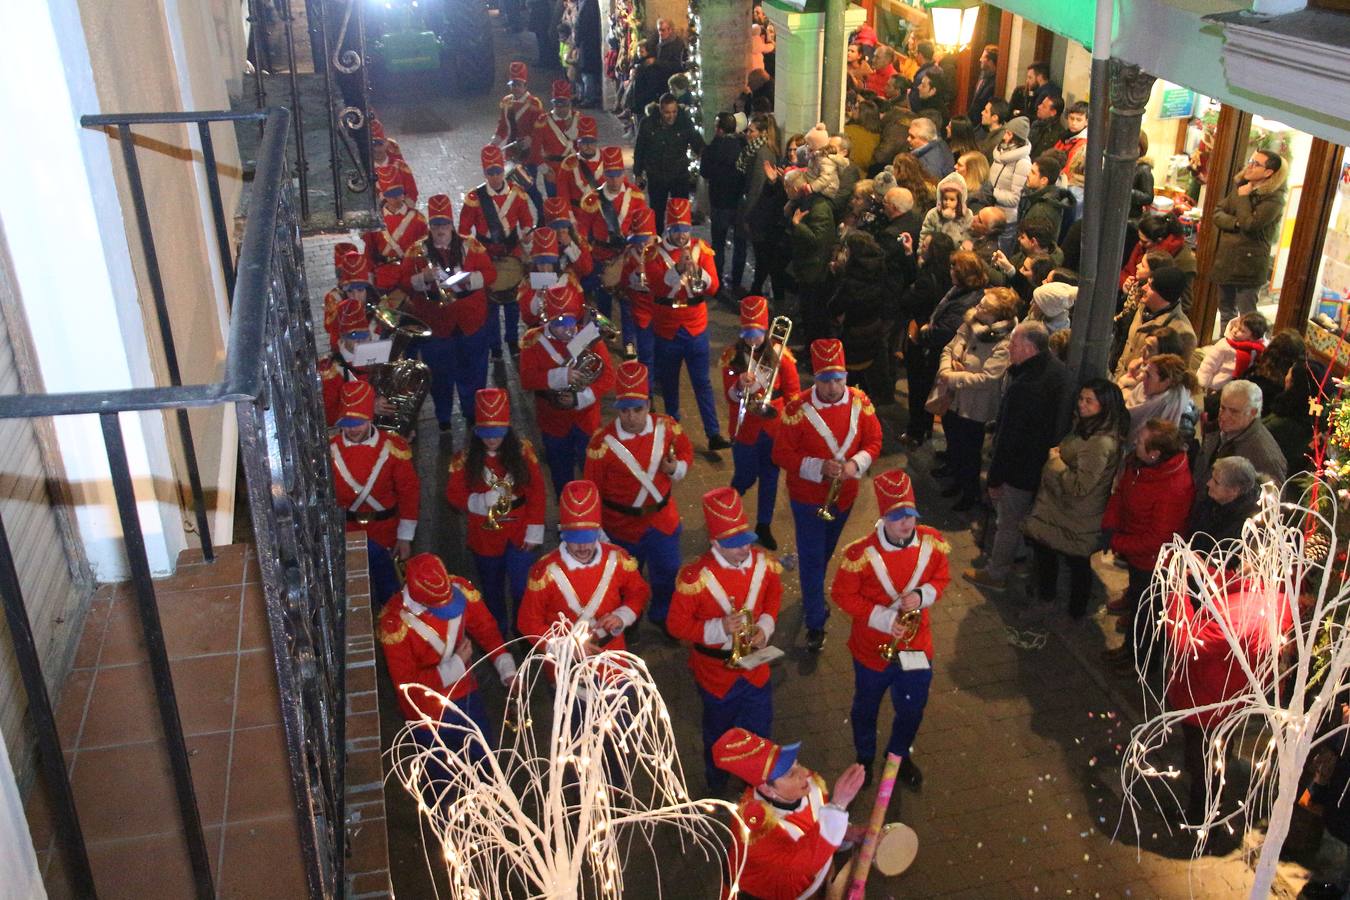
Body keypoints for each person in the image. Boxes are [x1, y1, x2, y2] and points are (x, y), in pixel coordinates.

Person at [832, 469, 950, 788]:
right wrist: (885, 620)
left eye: (910, 514)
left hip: (916, 647)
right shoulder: (859, 555)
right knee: (866, 709)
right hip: (871, 649)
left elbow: (941, 577)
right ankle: (864, 758)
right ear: (883, 516)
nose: (906, 523)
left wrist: (923, 595)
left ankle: (898, 756)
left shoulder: (933, 542)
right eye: (898, 516)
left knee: (912, 709)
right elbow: (842, 594)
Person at [668, 489, 783, 791]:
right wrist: (719, 628)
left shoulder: (763, 563)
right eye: (734, 545)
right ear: (715, 542)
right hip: (715, 676)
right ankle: (716, 786)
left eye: (746, 541)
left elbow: (773, 594)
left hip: (756, 673)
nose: (744, 549)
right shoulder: (695, 578)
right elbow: (677, 625)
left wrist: (766, 627)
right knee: (718, 737)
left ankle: (755, 788)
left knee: (760, 733)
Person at [772, 339, 883, 652]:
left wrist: (855, 464)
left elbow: (874, 441)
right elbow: (781, 453)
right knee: (810, 559)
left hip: (844, 497)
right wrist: (818, 466)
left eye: (838, 379)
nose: (833, 388)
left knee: (822, 555)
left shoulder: (860, 402)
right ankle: (815, 621)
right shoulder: (797, 410)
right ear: (815, 379)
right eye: (826, 380)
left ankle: (812, 594)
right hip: (807, 498)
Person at [378, 554, 516, 794]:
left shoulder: (458, 589)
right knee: (440, 777)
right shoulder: (394, 625)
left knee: (484, 757)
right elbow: (409, 689)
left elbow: (486, 630)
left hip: (465, 694)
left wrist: (507, 668)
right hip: (426, 714)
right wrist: (457, 664)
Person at [583, 361, 694, 632]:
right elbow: (591, 490)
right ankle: (626, 619)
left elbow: (686, 452)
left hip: (661, 520)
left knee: (667, 573)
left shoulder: (668, 428)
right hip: (620, 526)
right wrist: (597, 531)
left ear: (648, 405)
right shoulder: (601, 444)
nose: (631, 417)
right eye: (625, 411)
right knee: (624, 580)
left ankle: (662, 615)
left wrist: (676, 467)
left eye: (638, 409)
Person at [964, 321, 1069, 591]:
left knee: (1007, 522)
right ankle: (1020, 560)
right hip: (1041, 464)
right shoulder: (1056, 371)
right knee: (1022, 518)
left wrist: (996, 479)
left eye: (1013, 344)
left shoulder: (1026, 386)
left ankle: (996, 573)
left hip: (1020, 469)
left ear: (1028, 347)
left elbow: (1010, 438)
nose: (1009, 348)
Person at [711, 728, 867, 898]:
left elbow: (815, 823)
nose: (805, 773)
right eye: (791, 774)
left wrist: (847, 833)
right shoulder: (753, 826)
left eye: (797, 763)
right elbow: (802, 863)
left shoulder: (809, 786)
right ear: (767, 789)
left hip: (807, 886)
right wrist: (838, 805)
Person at [1021, 379, 1129, 619]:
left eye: (1089, 401)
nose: (1081, 404)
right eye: (1081, 398)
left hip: (1074, 515)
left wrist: (1055, 461)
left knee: (1073, 561)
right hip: (1065, 512)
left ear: (1105, 406)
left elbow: (1080, 486)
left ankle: (1073, 611)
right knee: (1059, 555)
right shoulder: (1089, 428)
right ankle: (1069, 609)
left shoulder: (1099, 443)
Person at [445, 389, 546, 634]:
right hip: (485, 537)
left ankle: (524, 631)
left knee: (523, 587)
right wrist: (480, 501)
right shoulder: (465, 459)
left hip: (521, 530)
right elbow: (453, 495)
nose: (492, 440)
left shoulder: (523, 452)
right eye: (486, 434)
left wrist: (534, 530)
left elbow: (537, 492)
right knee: (491, 589)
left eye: (497, 434)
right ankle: (497, 633)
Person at [1099, 419, 1194, 671]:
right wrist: (1111, 523)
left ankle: (1142, 663)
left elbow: (1157, 538)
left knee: (1148, 615)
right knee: (1139, 609)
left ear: (1155, 453)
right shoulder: (1140, 465)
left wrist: (1116, 541)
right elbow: (1122, 493)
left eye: (1140, 441)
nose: (1135, 443)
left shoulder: (1173, 487)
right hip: (1137, 554)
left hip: (1154, 563)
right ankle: (1129, 651)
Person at [517, 479, 650, 652]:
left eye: (588, 539)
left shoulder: (618, 559)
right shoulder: (544, 574)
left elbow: (639, 591)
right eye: (575, 540)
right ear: (563, 536)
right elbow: (528, 623)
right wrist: (566, 648)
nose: (583, 547)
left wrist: (621, 616)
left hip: (612, 653)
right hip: (566, 662)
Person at [401, 194, 498, 432]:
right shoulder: (416, 251)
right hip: (436, 325)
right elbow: (403, 281)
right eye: (436, 225)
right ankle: (443, 415)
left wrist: (466, 281)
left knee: (474, 371)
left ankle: (472, 412)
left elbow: (490, 274)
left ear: (452, 225)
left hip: (470, 322)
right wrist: (422, 278)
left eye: (444, 224)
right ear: (430, 227)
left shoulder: (471, 245)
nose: (440, 229)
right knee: (439, 375)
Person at [643, 198, 732, 452]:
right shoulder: (653, 253)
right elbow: (657, 287)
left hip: (696, 326)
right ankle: (674, 432)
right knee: (669, 385)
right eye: (676, 228)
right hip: (667, 327)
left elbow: (714, 287)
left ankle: (713, 433)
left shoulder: (701, 249)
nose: (682, 234)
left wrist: (698, 271)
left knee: (702, 382)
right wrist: (678, 270)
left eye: (685, 228)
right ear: (667, 229)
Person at [329, 382, 420, 607]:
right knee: (353, 592)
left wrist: (405, 536)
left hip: (386, 532)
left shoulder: (394, 448)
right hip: (348, 533)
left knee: (390, 590)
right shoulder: (328, 451)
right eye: (347, 423)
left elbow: (409, 492)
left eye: (358, 422)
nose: (352, 429)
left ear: (370, 417)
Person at [518, 285, 616, 495]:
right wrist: (562, 376)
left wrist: (580, 398)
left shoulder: (586, 336)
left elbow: (608, 377)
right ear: (548, 321)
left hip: (586, 420)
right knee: (560, 474)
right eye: (560, 323)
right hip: (552, 421)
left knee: (592, 472)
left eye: (572, 321)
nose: (569, 330)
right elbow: (526, 379)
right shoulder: (532, 340)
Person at [721, 296, 800, 550]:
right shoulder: (732, 357)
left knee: (770, 475)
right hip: (745, 428)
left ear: (765, 331)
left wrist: (790, 424)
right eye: (748, 334)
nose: (753, 340)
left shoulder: (781, 354)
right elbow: (729, 396)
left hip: (774, 425)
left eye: (757, 334)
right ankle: (728, 508)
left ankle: (763, 525)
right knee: (745, 475)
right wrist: (738, 384)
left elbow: (793, 392)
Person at [933, 288, 1016, 511]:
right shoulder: (970, 323)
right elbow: (949, 349)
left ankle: (970, 493)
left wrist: (952, 377)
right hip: (954, 398)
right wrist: (945, 370)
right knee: (954, 441)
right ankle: (956, 478)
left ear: (998, 315)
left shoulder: (1005, 342)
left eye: (984, 307)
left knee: (970, 451)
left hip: (975, 407)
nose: (977, 308)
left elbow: (988, 378)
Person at [460, 145, 538, 359]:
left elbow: (527, 220)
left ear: (503, 170)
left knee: (513, 304)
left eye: (497, 172)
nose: (494, 177)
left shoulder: (517, 193)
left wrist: (527, 234)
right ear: (484, 173)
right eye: (490, 173)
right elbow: (463, 233)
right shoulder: (474, 199)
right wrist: (475, 254)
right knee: (491, 307)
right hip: (487, 257)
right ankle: (495, 346)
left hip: (512, 252)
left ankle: (512, 341)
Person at [900, 241, 977, 448]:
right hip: (935, 347)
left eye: (955, 268)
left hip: (930, 348)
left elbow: (945, 329)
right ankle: (923, 428)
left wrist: (922, 334)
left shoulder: (962, 298)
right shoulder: (962, 290)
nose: (950, 270)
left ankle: (916, 431)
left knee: (919, 390)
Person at [575, 147, 648, 343]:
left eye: (618, 174)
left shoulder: (636, 197)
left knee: (626, 301)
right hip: (600, 255)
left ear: (624, 173)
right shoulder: (592, 199)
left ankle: (629, 342)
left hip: (625, 256)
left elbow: (643, 226)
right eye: (610, 175)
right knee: (603, 299)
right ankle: (606, 334)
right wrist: (586, 255)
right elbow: (582, 231)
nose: (615, 180)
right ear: (604, 174)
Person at [1211, 149, 1288, 329]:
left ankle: (1247, 353)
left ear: (1269, 172)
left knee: (1247, 318)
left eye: (1256, 164)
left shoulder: (1273, 199)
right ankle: (1226, 347)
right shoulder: (1242, 186)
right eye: (1251, 161)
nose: (1250, 166)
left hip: (1249, 266)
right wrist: (1236, 223)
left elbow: (1251, 225)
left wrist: (1244, 198)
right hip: (1227, 260)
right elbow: (1217, 213)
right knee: (1225, 311)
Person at [1192, 379, 1287, 490]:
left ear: (1253, 413)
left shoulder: (1265, 457)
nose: (1224, 416)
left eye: (1234, 412)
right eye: (1222, 408)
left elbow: (1271, 501)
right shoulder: (1220, 429)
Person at [1112, 266, 1197, 382]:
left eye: (1151, 286)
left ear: (1163, 294)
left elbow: (1177, 378)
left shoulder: (1182, 332)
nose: (1144, 288)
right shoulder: (1142, 307)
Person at [633, 93, 705, 230]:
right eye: (667, 112)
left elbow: (698, 144)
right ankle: (658, 242)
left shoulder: (684, 123)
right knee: (657, 213)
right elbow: (640, 149)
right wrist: (638, 173)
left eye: (674, 112)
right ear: (660, 110)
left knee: (680, 214)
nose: (671, 116)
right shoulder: (648, 124)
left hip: (678, 175)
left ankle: (679, 244)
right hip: (656, 175)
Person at [785, 169, 839, 348]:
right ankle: (810, 349)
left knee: (814, 315)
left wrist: (797, 225)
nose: (785, 191)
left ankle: (814, 352)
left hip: (815, 270)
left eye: (786, 187)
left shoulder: (820, 208)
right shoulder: (805, 202)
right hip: (807, 267)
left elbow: (817, 240)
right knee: (808, 313)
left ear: (794, 187)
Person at [701, 112, 747, 293]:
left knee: (718, 243)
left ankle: (717, 279)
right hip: (739, 202)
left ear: (719, 129)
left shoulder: (712, 149)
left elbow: (704, 173)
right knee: (740, 243)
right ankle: (736, 282)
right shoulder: (742, 146)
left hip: (719, 201)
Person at [364, 171, 429, 292]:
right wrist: (370, 278)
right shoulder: (375, 221)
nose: (395, 198)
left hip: (410, 273)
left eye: (399, 194)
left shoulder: (418, 219)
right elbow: (369, 251)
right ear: (384, 195)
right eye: (391, 195)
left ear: (403, 194)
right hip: (384, 276)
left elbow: (425, 249)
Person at [1119, 213, 1197, 310]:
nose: (1140, 244)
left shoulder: (1184, 261)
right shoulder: (1144, 247)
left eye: (1144, 242)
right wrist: (1126, 286)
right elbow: (1128, 271)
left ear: (1159, 241)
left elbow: (1184, 304)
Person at [1125, 352, 1198, 446]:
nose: (1143, 378)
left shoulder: (1176, 412)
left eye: (1148, 376)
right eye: (1145, 373)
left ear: (1166, 382)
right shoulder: (1142, 389)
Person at [988, 117, 1033, 253]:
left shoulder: (1022, 163)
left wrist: (991, 192)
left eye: (1008, 133)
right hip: (991, 213)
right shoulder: (1000, 154)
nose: (1004, 136)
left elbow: (1015, 198)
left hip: (1006, 220)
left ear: (1015, 137)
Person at [1197, 311, 1268, 394]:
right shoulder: (1224, 344)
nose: (1235, 331)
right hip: (1217, 387)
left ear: (1253, 337)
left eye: (1242, 331)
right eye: (1236, 327)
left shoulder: (1256, 349)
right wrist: (1201, 383)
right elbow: (1208, 364)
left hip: (1239, 389)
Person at [1017, 155, 1074, 239]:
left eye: (1033, 173)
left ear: (1043, 180)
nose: (1028, 175)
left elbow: (1035, 243)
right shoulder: (1045, 198)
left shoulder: (1042, 209)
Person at [494, 61, 545, 154]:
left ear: (525, 86)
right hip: (511, 149)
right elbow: (503, 127)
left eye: (519, 85)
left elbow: (540, 129)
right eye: (513, 85)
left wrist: (529, 139)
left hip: (530, 151)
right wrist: (493, 144)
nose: (515, 88)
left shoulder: (534, 104)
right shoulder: (506, 101)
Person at [920, 171, 973, 246]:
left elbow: (968, 235)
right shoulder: (933, 214)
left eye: (952, 199)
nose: (947, 202)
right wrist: (921, 253)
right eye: (945, 199)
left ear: (959, 200)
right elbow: (925, 233)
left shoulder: (967, 215)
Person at [907, 117, 954, 181]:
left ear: (925, 139)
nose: (908, 139)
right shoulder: (940, 144)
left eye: (912, 137)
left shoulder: (929, 165)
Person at [1053, 101, 1089, 173]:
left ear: (1086, 122)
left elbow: (1070, 169)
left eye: (1079, 120)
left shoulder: (1083, 145)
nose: (1074, 123)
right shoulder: (1065, 137)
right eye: (1071, 118)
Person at [906, 41, 940, 112]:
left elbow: (914, 102)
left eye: (916, 53)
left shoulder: (922, 77)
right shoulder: (937, 69)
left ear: (920, 55)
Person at [967, 45, 998, 124]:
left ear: (990, 61)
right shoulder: (982, 75)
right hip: (972, 120)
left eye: (983, 57)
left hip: (982, 122)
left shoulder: (995, 82)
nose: (980, 59)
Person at [1029, 94, 1065, 159]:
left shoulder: (1059, 134)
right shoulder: (1036, 124)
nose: (1039, 107)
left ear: (1053, 112)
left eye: (1044, 106)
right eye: (1041, 104)